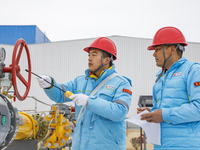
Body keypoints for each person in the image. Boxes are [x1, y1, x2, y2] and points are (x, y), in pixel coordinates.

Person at [37, 37, 132, 150]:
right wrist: (50, 84)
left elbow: (119, 112)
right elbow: (59, 95)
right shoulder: (80, 81)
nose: (89, 59)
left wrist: (89, 101)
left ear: (107, 59)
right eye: (89, 55)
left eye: (94, 55)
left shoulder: (121, 83)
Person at [137, 26, 200, 149]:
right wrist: (151, 114)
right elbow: (161, 112)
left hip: (186, 146)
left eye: (158, 49)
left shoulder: (193, 70)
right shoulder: (160, 78)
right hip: (162, 145)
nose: (154, 54)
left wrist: (164, 115)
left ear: (172, 49)